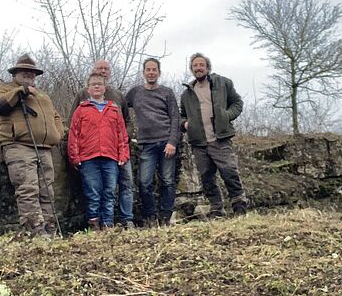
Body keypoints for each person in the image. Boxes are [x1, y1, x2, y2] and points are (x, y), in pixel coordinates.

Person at [0, 54, 63, 238]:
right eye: (25, 71)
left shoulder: (42, 95)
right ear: (15, 73)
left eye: (32, 72)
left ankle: (50, 231)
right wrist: (19, 92)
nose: (29, 75)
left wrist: (57, 134)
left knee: (47, 191)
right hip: (18, 145)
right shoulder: (4, 88)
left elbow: (55, 116)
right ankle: (36, 231)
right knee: (27, 188)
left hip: (44, 147)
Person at [180, 52, 249, 217]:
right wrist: (184, 124)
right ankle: (216, 208)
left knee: (229, 173)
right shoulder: (187, 93)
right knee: (207, 178)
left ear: (207, 67)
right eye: (195, 65)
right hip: (199, 142)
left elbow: (237, 103)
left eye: (201, 65)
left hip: (220, 138)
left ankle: (239, 207)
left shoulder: (222, 83)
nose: (198, 68)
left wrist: (227, 116)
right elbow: (181, 115)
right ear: (192, 69)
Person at [69, 60, 135, 229]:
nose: (97, 87)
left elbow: (122, 133)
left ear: (105, 88)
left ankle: (108, 223)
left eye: (100, 84)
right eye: (93, 84)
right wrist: (74, 157)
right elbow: (73, 134)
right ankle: (94, 223)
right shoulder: (81, 109)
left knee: (110, 191)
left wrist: (123, 154)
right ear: (88, 89)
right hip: (88, 157)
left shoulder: (113, 108)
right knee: (93, 192)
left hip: (111, 156)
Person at [126, 58, 180, 227]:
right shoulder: (135, 92)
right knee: (144, 182)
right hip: (147, 144)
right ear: (143, 73)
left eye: (154, 70)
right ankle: (150, 216)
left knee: (168, 180)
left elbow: (175, 118)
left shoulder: (167, 92)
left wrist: (172, 142)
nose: (151, 72)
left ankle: (165, 216)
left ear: (159, 72)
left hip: (166, 142)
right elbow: (120, 106)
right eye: (148, 70)